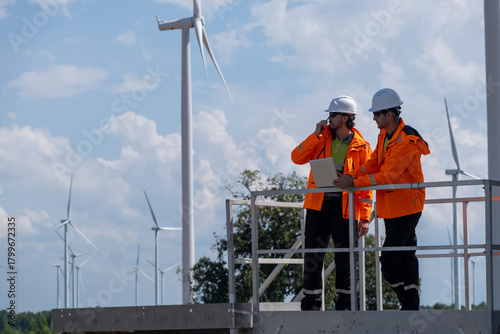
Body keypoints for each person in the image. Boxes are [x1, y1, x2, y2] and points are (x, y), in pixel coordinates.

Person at [334, 88, 430, 310]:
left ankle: (408, 302)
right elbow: (374, 163)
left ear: (389, 115)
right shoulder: (385, 136)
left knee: (389, 261)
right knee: (405, 256)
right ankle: (410, 304)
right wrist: (352, 175)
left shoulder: (406, 140)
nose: (373, 118)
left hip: (407, 205)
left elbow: (388, 176)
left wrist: (353, 183)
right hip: (392, 206)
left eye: (377, 114)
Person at [291, 95, 373, 311]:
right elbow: (296, 157)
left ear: (346, 118)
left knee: (345, 259)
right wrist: (314, 135)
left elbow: (365, 187)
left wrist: (365, 217)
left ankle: (345, 306)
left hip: (345, 208)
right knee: (312, 257)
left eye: (333, 114)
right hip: (318, 205)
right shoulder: (320, 138)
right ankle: (310, 305)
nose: (329, 118)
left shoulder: (363, 147)